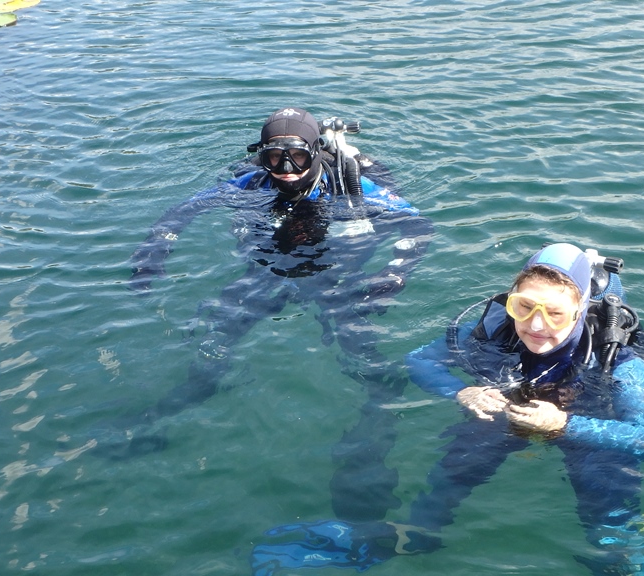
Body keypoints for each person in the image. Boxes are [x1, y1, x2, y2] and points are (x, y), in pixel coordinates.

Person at [250, 243, 644, 576]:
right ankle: (418, 534)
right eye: (524, 306)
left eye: (555, 314)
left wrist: (566, 424)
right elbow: (420, 360)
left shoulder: (617, 360)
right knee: (455, 468)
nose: (536, 325)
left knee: (606, 501)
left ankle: (622, 558)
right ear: (511, 299)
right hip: (513, 406)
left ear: (580, 312)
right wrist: (461, 392)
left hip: (592, 413)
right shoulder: (495, 327)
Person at [124, 107, 434, 522]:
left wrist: (393, 275)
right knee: (219, 332)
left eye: (298, 157)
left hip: (335, 275)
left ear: (316, 152)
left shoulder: (349, 184)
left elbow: (417, 225)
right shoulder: (251, 183)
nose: (287, 170)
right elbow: (182, 211)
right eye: (275, 157)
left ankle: (376, 426)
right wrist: (152, 255)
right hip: (267, 269)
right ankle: (182, 400)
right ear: (262, 156)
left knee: (363, 353)